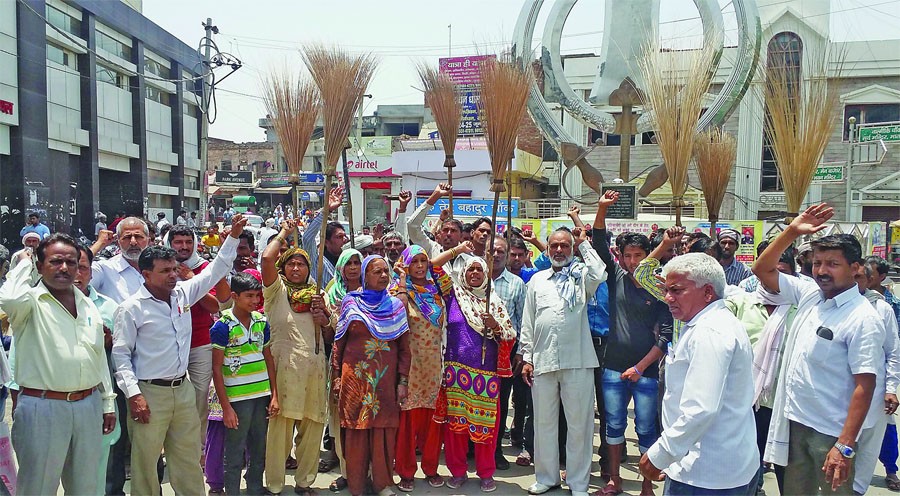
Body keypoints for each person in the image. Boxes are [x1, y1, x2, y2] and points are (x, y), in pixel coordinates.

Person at [753, 204, 886, 494]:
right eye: (817, 263)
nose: (822, 271)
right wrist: (791, 231)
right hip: (794, 422)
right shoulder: (811, 294)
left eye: (832, 264)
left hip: (831, 434)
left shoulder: (862, 318)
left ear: (855, 269)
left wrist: (845, 444)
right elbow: (761, 268)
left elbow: (865, 385)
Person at [111, 215, 245, 496]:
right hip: (148, 393)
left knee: (186, 457)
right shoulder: (131, 309)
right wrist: (134, 395)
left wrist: (232, 236)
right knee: (145, 462)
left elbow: (217, 269)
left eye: (174, 269)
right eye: (165, 271)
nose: (173, 275)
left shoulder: (183, 294)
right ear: (146, 274)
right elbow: (121, 357)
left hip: (182, 389)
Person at [0, 233, 116, 494]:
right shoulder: (29, 303)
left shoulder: (87, 304)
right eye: (55, 261)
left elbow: (96, 356)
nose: (64, 268)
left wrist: (107, 400)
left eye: (71, 262)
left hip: (88, 406)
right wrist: (24, 262)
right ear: (40, 266)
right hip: (44, 407)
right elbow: (7, 299)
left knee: (85, 486)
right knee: (38, 487)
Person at [639, 253, 759, 494]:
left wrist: (661, 454)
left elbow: (700, 409)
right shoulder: (707, 323)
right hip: (716, 465)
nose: (668, 298)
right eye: (667, 290)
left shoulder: (710, 332)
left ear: (707, 292)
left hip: (705, 472)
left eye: (677, 290)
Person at [593, 192, 672, 496]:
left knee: (646, 430)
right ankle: (614, 480)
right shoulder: (616, 277)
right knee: (612, 427)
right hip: (612, 367)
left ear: (649, 256)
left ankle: (647, 486)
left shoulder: (661, 288)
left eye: (639, 256)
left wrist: (640, 367)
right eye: (627, 256)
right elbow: (599, 241)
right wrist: (602, 208)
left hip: (646, 371)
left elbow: (666, 336)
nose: (632, 261)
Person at [519, 227, 607, 496]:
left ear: (571, 249)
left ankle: (578, 483)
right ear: (547, 250)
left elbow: (600, 272)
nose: (559, 250)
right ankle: (547, 478)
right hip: (543, 361)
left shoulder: (581, 276)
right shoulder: (537, 280)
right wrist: (526, 357)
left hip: (578, 361)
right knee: (543, 423)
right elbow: (528, 321)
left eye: (564, 246)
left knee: (579, 425)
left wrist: (583, 244)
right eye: (554, 246)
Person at [331, 255, 411, 496]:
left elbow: (405, 348)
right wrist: (336, 377)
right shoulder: (350, 303)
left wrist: (403, 381)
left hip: (384, 382)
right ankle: (356, 485)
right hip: (355, 379)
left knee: (383, 432)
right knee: (356, 430)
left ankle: (382, 483)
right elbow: (338, 344)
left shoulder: (396, 306)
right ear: (365, 276)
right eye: (377, 272)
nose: (384, 276)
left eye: (386, 271)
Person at [260, 220, 329, 496]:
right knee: (279, 433)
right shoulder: (276, 291)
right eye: (291, 264)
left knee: (312, 430)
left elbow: (330, 329)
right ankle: (275, 485)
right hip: (284, 370)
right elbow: (266, 258)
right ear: (284, 267)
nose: (297, 268)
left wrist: (322, 316)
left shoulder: (317, 293)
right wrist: (285, 232)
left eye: (302, 264)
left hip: (314, 370)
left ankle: (304, 483)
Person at [210, 272, 279, 496]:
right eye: (249, 296)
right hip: (237, 399)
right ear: (234, 296)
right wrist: (226, 407)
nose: (255, 301)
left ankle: (255, 489)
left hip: (261, 395)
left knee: (259, 447)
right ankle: (232, 491)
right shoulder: (223, 326)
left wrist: (274, 395)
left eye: (257, 296)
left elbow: (269, 359)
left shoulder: (262, 322)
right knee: (235, 450)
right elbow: (217, 369)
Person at [166, 224, 231, 452]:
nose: (183, 247)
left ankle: (199, 447)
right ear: (169, 243)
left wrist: (194, 280)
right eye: (178, 242)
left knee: (200, 396)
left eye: (188, 242)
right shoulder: (161, 267)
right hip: (168, 343)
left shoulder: (206, 268)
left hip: (201, 341)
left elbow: (218, 306)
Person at [391, 245, 451, 491]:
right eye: (413, 261)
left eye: (422, 261)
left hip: (434, 364)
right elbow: (398, 311)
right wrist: (402, 278)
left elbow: (438, 265)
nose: (419, 266)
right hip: (410, 364)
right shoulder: (397, 288)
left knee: (432, 419)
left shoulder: (437, 288)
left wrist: (457, 249)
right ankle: (405, 471)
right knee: (408, 420)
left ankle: (431, 468)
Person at [72, 243, 123, 493]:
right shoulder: (38, 305)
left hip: (100, 397)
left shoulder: (108, 307)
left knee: (105, 467)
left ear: (92, 272)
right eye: (71, 266)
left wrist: (109, 343)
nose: (76, 273)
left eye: (82, 267)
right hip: (54, 400)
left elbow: (123, 355)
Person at [851, 263, 900, 495]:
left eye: (859, 277)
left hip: (875, 392)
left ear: (869, 280)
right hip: (842, 393)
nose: (854, 281)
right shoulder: (831, 305)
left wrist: (891, 388)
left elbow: (893, 352)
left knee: (868, 450)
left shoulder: (882, 309)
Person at [321, 247, 363, 493]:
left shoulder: (371, 293)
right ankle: (347, 472)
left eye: (358, 262)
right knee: (340, 421)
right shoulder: (330, 293)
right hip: (339, 361)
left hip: (367, 363)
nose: (353, 267)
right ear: (341, 267)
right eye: (349, 263)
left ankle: (367, 471)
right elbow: (328, 333)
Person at [488, 236, 526, 472]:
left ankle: (496, 450)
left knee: (501, 402)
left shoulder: (515, 284)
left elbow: (523, 322)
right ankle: (475, 448)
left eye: (501, 251)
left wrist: (520, 352)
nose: (496, 254)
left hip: (505, 351)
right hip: (475, 351)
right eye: (492, 250)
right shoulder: (474, 278)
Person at [866, 256, 900, 490]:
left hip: (877, 379)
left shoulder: (887, 306)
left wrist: (890, 387)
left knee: (886, 426)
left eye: (866, 276)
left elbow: (893, 348)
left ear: (878, 277)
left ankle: (891, 470)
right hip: (849, 383)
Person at [302, 186, 348, 286]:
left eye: (345, 236)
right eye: (339, 237)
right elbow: (307, 238)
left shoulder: (349, 261)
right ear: (326, 242)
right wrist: (326, 210)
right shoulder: (317, 261)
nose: (344, 240)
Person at [407, 183, 464, 259]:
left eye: (453, 231)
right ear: (439, 233)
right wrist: (435, 196)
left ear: (461, 235)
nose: (449, 234)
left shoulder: (468, 257)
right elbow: (412, 225)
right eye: (445, 230)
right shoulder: (431, 249)